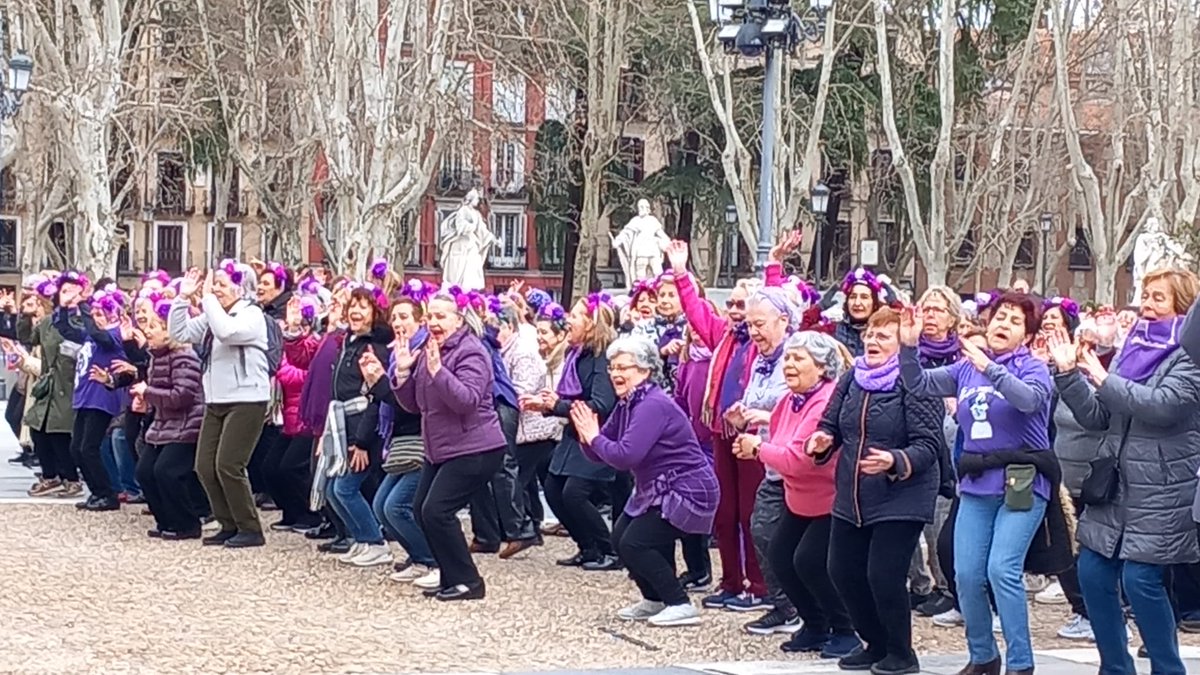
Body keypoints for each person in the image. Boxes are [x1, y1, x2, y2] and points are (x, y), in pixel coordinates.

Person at [899, 293, 1054, 675]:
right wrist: (908, 346)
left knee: (1002, 569)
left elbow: (1029, 401)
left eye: (1015, 321)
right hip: (977, 482)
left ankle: (1021, 663)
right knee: (966, 573)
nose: (1003, 324)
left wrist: (993, 367)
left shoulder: (1034, 368)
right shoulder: (965, 369)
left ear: (1028, 335)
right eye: (1000, 316)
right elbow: (917, 383)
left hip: (1022, 481)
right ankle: (983, 656)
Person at [1058, 268, 1200, 675]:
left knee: (1141, 580)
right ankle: (1115, 667)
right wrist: (1069, 376)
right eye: (1145, 295)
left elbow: (1163, 406)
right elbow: (1098, 416)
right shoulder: (1131, 348)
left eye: (1159, 297)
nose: (1147, 305)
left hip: (1161, 487)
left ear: (1183, 306)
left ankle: (1167, 668)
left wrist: (1103, 379)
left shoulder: (1191, 355)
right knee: (1092, 571)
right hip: (1114, 486)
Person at [808, 307, 943, 674]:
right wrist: (823, 440)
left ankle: (901, 653)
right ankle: (874, 643)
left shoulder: (915, 381)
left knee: (883, 575)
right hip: (853, 494)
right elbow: (831, 424)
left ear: (902, 344)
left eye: (883, 336)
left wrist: (895, 460)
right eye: (869, 333)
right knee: (842, 571)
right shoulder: (853, 378)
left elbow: (929, 445)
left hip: (901, 494)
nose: (871, 341)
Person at [570, 335, 718, 627]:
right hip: (656, 489)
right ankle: (655, 599)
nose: (615, 373)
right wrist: (587, 434)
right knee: (620, 537)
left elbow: (626, 455)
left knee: (636, 542)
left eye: (624, 367)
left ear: (646, 371)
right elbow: (603, 450)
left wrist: (593, 436)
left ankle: (680, 603)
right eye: (613, 367)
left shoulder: (653, 404)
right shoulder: (628, 403)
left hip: (688, 489)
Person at [735, 331, 855, 654]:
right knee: (780, 558)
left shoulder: (825, 401)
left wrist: (757, 448)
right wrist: (756, 446)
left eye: (798, 358)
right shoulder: (789, 400)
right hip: (798, 497)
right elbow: (779, 445)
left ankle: (845, 630)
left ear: (822, 367)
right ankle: (814, 625)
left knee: (810, 562)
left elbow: (799, 460)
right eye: (787, 357)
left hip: (830, 499)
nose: (788, 364)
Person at [392, 289, 507, 601]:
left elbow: (467, 401)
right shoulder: (432, 349)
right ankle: (450, 576)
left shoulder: (471, 352)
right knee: (420, 510)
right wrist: (402, 372)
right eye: (430, 316)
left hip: (476, 447)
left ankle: (469, 581)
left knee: (437, 510)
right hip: (440, 447)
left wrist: (438, 372)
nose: (433, 322)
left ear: (458, 320)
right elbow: (415, 405)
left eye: (441, 316)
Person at [168, 262, 271, 548]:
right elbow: (180, 333)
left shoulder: (252, 315)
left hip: (247, 398)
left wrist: (209, 301)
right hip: (216, 399)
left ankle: (250, 527)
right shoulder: (215, 313)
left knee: (229, 464)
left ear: (240, 288)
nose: (216, 290)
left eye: (223, 285)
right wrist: (182, 298)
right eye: (216, 285)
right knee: (204, 465)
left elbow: (227, 332)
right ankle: (228, 523)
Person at [521, 294, 619, 570]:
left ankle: (609, 549)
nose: (568, 319)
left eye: (575, 315)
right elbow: (567, 399)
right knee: (553, 490)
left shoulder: (601, 357)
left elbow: (602, 403)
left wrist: (558, 405)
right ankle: (587, 547)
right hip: (573, 434)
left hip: (594, 435)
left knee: (575, 494)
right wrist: (547, 405)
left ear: (590, 323)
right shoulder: (576, 354)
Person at [365, 295, 437, 584]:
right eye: (394, 317)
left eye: (405, 316)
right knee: (382, 504)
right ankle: (418, 556)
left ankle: (433, 559)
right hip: (401, 439)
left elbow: (410, 403)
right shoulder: (397, 354)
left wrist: (381, 383)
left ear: (420, 320)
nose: (398, 323)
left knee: (397, 506)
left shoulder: (423, 352)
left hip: (421, 440)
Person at [323, 285, 394, 567]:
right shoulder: (349, 343)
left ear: (375, 313)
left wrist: (363, 442)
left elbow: (376, 397)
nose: (355, 311)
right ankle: (361, 539)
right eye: (353, 305)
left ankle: (375, 542)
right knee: (332, 490)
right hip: (343, 425)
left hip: (364, 427)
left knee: (345, 489)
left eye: (363, 306)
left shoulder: (376, 348)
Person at [134, 300, 208, 539]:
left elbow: (182, 396)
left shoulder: (185, 357)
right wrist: (146, 400)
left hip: (188, 426)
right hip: (163, 425)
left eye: (154, 326)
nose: (148, 331)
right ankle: (165, 520)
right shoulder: (156, 357)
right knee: (145, 471)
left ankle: (187, 523)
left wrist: (148, 393)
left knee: (167, 471)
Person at [58, 283, 128, 512]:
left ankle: (107, 493)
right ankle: (96, 492)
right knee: (75, 448)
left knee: (89, 447)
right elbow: (67, 330)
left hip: (101, 398)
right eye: (94, 314)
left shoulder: (115, 335)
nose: (95, 318)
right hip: (85, 398)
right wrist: (64, 307)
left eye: (100, 314)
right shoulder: (91, 335)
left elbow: (101, 337)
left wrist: (83, 305)